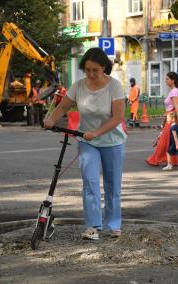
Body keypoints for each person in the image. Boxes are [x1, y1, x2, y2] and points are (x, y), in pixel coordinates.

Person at [43, 47, 126, 240]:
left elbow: (117, 118)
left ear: (104, 67)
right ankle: (92, 227)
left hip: (112, 141)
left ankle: (114, 225)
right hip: (87, 141)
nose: (90, 74)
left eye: (95, 70)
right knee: (90, 182)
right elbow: (63, 106)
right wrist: (51, 120)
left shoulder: (114, 86)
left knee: (112, 185)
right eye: (87, 69)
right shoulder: (79, 85)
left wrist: (96, 132)